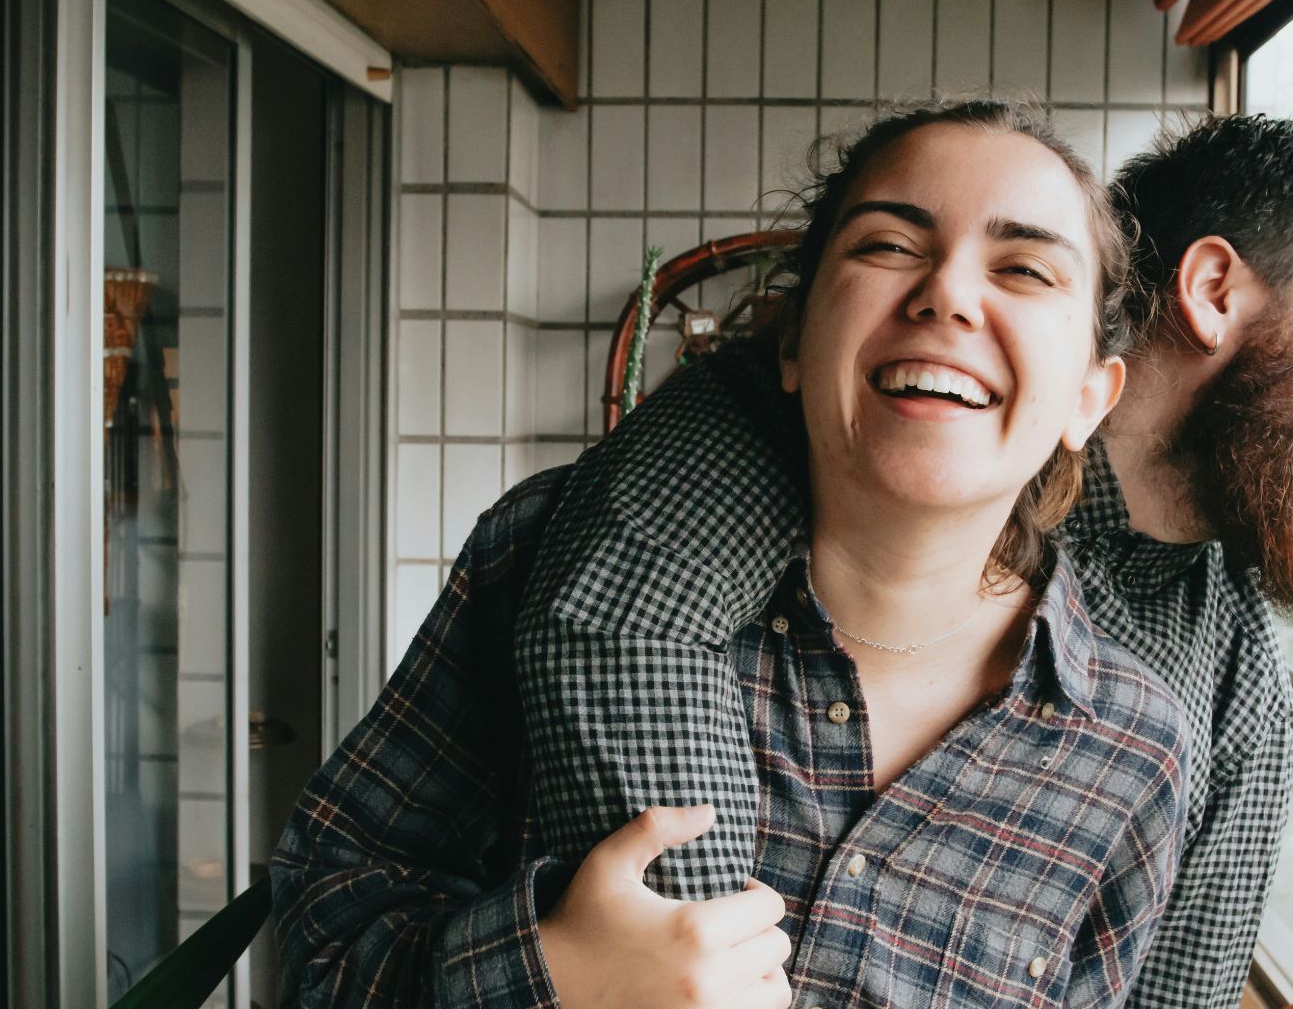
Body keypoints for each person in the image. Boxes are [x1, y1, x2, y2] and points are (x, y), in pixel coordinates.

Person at [487, 112, 1293, 1007]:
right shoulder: (738, 458)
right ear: (1212, 292)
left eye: (1025, 270)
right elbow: (616, 626)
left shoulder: (1229, 693)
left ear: (1092, 388)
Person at [272, 100, 1190, 1007]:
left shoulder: (1132, 753)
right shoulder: (538, 554)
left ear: (1090, 397)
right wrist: (550, 977)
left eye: (1025, 268)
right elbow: (321, 939)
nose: (947, 293)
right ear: (792, 340)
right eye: (887, 245)